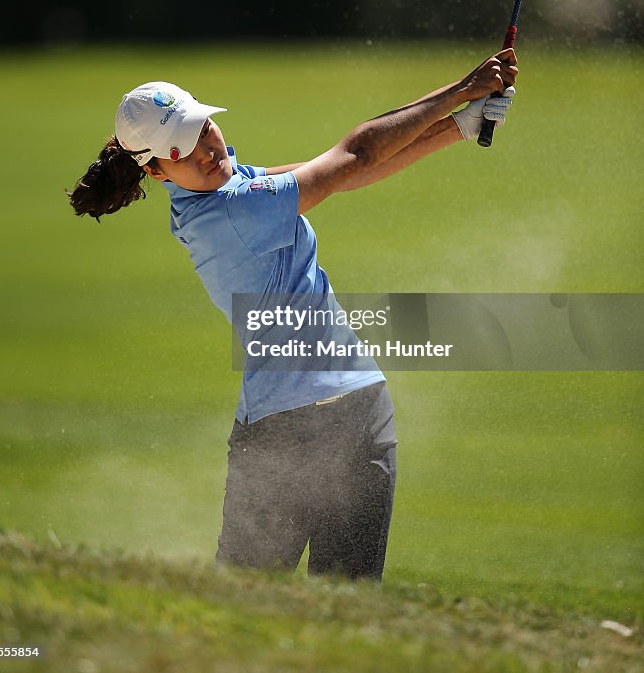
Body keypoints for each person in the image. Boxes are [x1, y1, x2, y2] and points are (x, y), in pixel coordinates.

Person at [68, 48, 518, 580]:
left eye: (201, 127)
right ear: (157, 171)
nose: (206, 148)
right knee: (242, 609)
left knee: (344, 614)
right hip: (289, 436)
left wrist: (458, 126)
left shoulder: (227, 185)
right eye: (182, 149)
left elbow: (341, 171)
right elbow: (354, 155)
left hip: (358, 412)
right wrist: (458, 92)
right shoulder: (231, 212)